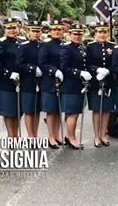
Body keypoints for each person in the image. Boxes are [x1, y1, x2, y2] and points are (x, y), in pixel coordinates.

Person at [0, 18, 23, 137]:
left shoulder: (21, 42)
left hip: (21, 82)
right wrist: (9, 74)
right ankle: (11, 135)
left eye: (14, 27)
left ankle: (16, 134)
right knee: (9, 112)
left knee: (19, 111)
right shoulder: (1, 44)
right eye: (9, 28)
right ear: (4, 30)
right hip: (6, 82)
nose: (12, 30)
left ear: (18, 28)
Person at [60, 24, 90, 149]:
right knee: (72, 113)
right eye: (75, 34)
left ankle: (69, 136)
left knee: (75, 112)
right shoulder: (66, 48)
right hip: (70, 85)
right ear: (69, 34)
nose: (77, 36)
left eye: (80, 34)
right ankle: (71, 138)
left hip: (80, 85)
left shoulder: (82, 48)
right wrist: (79, 73)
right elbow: (64, 68)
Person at [86, 21, 115, 147]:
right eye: (100, 32)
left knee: (106, 110)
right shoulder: (90, 46)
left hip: (108, 81)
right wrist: (96, 69)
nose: (102, 34)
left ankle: (103, 134)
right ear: (95, 33)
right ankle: (96, 135)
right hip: (95, 81)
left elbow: (115, 63)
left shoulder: (113, 46)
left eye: (104, 32)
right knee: (97, 110)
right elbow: (87, 64)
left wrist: (108, 70)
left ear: (108, 33)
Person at [39, 20, 64, 148]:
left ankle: (57, 134)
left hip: (62, 80)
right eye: (54, 29)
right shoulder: (46, 45)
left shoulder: (64, 45)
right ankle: (50, 136)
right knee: (50, 110)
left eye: (59, 29)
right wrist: (54, 71)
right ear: (50, 31)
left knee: (58, 110)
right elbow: (42, 63)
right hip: (49, 81)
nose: (56, 32)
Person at [16, 20, 42, 138]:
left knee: (37, 111)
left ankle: (35, 134)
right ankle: (30, 136)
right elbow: (19, 64)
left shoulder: (43, 46)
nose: (36, 34)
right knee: (29, 110)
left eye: (38, 31)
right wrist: (32, 68)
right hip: (27, 81)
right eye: (33, 31)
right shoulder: (24, 47)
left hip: (41, 81)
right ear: (28, 32)